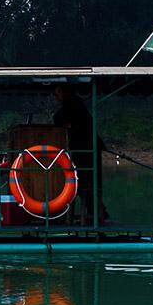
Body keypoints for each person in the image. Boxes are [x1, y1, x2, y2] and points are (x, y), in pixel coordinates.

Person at [51, 84, 113, 223]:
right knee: (85, 182)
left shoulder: (73, 105)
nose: (56, 98)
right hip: (84, 148)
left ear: (65, 93)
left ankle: (95, 213)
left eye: (57, 94)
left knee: (85, 182)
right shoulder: (74, 105)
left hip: (86, 149)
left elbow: (59, 118)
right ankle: (96, 212)